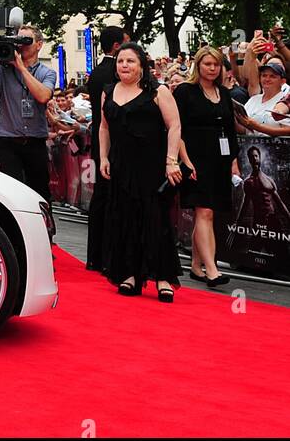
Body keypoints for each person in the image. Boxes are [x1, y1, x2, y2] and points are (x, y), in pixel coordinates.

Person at [98, 42, 184, 301]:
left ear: (142, 65)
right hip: (120, 165)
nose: (124, 65)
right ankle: (129, 274)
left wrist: (171, 161)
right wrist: (103, 157)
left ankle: (163, 277)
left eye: (130, 61)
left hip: (151, 165)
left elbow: (175, 126)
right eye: (121, 61)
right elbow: (104, 128)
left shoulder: (158, 92)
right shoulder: (108, 91)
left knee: (155, 219)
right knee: (124, 218)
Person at [172, 46, 238, 287]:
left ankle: (197, 266)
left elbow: (230, 129)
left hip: (219, 160)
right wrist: (185, 160)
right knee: (204, 212)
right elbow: (175, 129)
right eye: (208, 64)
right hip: (195, 158)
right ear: (198, 65)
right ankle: (212, 269)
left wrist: (233, 159)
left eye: (216, 65)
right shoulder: (185, 92)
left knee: (210, 212)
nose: (212, 68)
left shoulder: (224, 92)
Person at [0, 24, 58, 202]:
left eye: (26, 41)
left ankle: (43, 227)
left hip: (35, 140)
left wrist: (21, 68)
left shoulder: (47, 73)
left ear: (39, 44)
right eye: (18, 41)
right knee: (11, 192)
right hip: (7, 139)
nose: (21, 45)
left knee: (39, 191)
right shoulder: (4, 71)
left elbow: (43, 96)